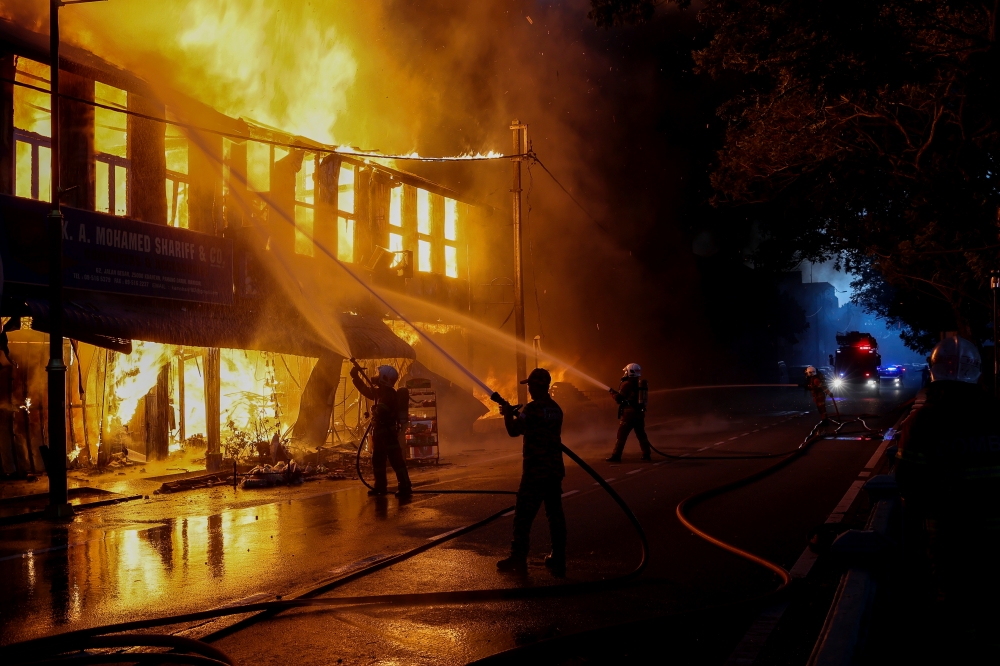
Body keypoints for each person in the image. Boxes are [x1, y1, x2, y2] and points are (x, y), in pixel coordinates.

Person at [895, 336, 1000, 606]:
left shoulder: (921, 422)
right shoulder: (996, 414)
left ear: (933, 372)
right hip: (996, 537)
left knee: (955, 605)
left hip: (947, 537)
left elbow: (908, 485)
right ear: (977, 370)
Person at [496, 368, 567, 577]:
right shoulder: (556, 409)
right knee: (555, 515)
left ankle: (518, 557)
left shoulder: (533, 408)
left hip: (536, 470)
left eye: (530, 386)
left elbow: (514, 431)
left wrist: (508, 415)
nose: (528, 389)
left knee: (523, 516)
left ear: (537, 386)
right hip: (554, 469)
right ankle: (559, 556)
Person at [350, 363, 412, 497]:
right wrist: (355, 376)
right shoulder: (382, 392)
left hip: (387, 434)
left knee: (395, 460)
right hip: (381, 434)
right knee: (378, 460)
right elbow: (366, 390)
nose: (376, 377)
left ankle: (405, 487)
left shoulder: (389, 394)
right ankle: (380, 486)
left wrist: (376, 410)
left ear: (384, 378)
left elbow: (383, 410)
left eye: (379, 375)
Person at [606, 363, 651, 462]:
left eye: (626, 371)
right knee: (641, 435)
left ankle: (616, 455)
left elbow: (619, 398)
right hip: (639, 415)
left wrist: (612, 393)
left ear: (629, 372)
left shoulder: (627, 385)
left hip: (629, 416)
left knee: (621, 435)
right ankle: (646, 454)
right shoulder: (639, 385)